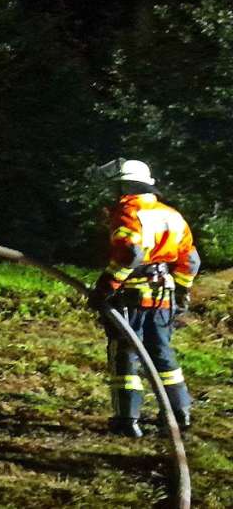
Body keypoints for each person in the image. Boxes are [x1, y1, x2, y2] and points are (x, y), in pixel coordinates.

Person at [88, 159, 200, 438]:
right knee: (162, 354)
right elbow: (191, 260)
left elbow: (131, 254)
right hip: (163, 298)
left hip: (131, 300)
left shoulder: (128, 212)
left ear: (124, 186)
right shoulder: (171, 215)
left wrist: (106, 286)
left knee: (125, 355)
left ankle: (127, 420)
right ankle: (179, 414)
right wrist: (181, 293)